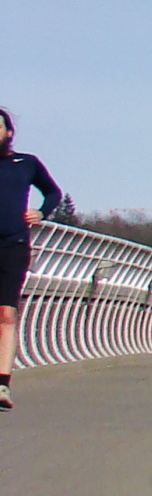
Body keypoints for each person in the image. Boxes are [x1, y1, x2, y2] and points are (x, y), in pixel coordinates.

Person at [0, 108, 66, 410]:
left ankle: (2, 384)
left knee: (6, 314)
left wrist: (41, 212)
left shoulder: (25, 164)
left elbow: (53, 193)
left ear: (8, 133)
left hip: (12, 245)